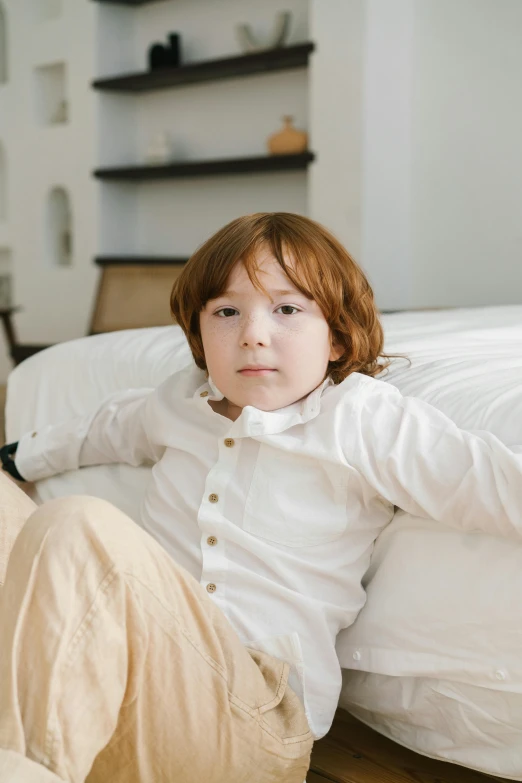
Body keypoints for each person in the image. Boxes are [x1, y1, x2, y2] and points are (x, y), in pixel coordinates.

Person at [1, 212, 522, 783]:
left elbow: (486, 482)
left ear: (338, 337)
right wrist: (19, 460)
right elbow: (104, 428)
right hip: (140, 688)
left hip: (253, 718)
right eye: (226, 312)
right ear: (199, 337)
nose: (252, 332)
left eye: (288, 310)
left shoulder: (360, 416)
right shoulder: (176, 402)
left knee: (79, 525)